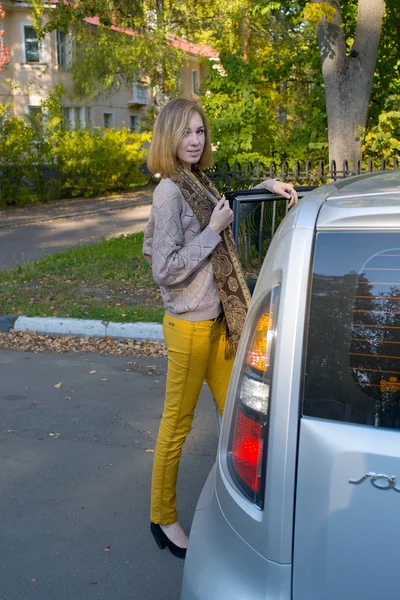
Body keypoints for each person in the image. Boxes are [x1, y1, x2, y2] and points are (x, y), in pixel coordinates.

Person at [142, 98, 298, 559]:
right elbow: (166, 268)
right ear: (169, 136)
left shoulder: (198, 181)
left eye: (200, 132)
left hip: (220, 325)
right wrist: (211, 230)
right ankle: (162, 517)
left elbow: (223, 223)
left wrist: (266, 188)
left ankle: (245, 508)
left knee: (243, 420)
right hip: (189, 328)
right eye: (186, 132)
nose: (195, 140)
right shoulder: (170, 191)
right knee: (177, 425)